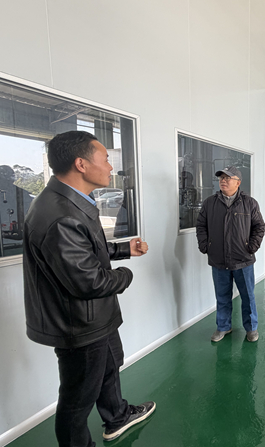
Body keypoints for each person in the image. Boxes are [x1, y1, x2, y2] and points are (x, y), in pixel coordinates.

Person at [23, 131, 154, 446]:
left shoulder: (72, 202)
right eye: (105, 159)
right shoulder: (59, 215)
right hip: (79, 324)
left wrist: (122, 250)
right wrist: (125, 275)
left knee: (109, 368)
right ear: (81, 164)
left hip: (95, 318)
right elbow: (90, 282)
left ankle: (117, 416)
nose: (111, 167)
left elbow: (85, 250)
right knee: (77, 400)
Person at [196, 165, 265, 342]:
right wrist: (205, 245)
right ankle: (223, 326)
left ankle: (251, 328)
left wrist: (251, 246)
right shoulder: (210, 203)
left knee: (248, 296)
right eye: (221, 178)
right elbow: (201, 225)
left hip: (243, 259)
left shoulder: (249, 203)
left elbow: (259, 226)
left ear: (238, 182)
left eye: (228, 178)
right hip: (218, 259)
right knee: (222, 296)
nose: (223, 181)